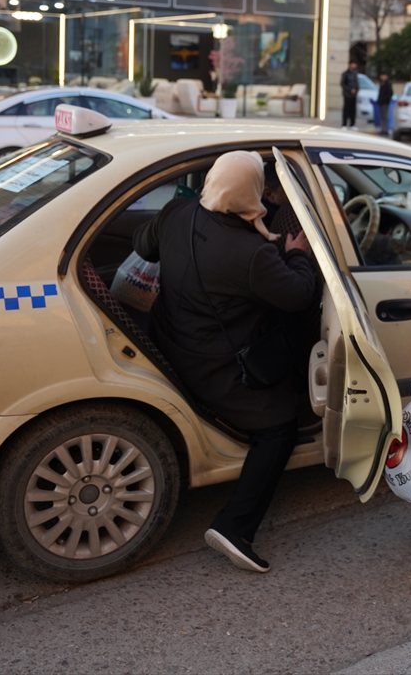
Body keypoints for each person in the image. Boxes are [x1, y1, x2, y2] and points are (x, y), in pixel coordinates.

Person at [133, 151, 316, 573]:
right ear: (251, 193)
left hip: (166, 340)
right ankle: (235, 527)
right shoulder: (254, 254)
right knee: (279, 429)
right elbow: (299, 295)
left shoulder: (177, 212)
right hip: (216, 370)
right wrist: (297, 253)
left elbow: (142, 243)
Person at [340, 61, 360, 130]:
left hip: (354, 95)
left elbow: (357, 83)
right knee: (346, 109)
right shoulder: (345, 74)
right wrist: (350, 89)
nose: (354, 66)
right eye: (353, 64)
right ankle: (344, 124)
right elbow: (343, 84)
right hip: (347, 94)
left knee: (353, 110)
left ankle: (352, 124)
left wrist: (357, 89)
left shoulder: (355, 73)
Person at [376, 71, 395, 136]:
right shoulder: (382, 83)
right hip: (381, 102)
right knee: (382, 116)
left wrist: (384, 99)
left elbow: (390, 93)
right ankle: (383, 129)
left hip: (385, 102)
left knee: (385, 116)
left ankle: (385, 130)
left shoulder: (388, 83)